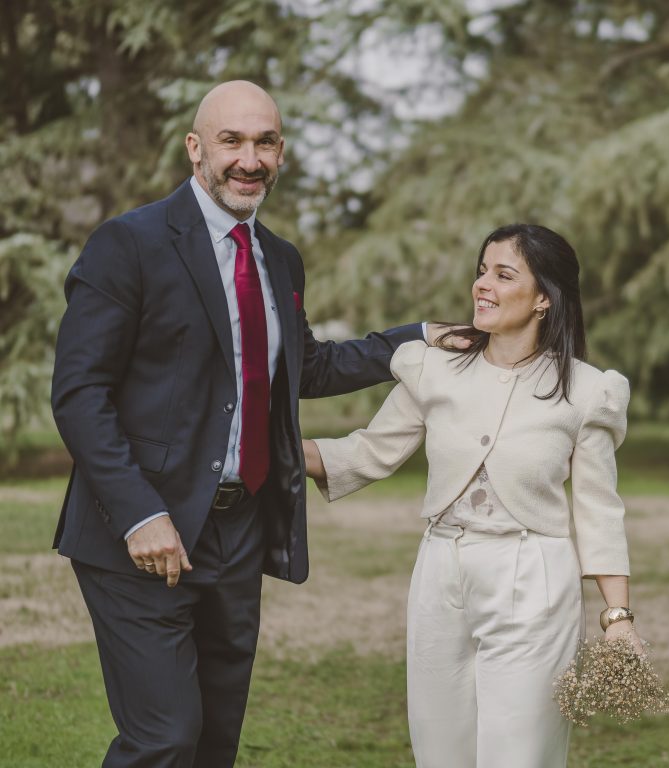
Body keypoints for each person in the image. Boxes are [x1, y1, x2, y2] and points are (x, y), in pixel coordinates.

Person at [50, 80, 448, 767]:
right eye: (232, 140)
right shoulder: (130, 243)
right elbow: (80, 393)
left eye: (265, 142)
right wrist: (141, 514)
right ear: (195, 148)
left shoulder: (280, 258)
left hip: (237, 532)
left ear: (282, 153)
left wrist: (415, 339)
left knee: (214, 743)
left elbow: (307, 367)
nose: (249, 158)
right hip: (139, 534)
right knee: (163, 739)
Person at [304, 223, 644, 768]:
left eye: (503, 274)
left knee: (519, 754)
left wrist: (618, 615)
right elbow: (366, 453)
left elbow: (599, 509)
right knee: (440, 751)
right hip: (440, 569)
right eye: (482, 270)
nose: (482, 285)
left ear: (542, 299)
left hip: (533, 577)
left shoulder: (588, 391)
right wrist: (269, 449)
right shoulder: (430, 366)